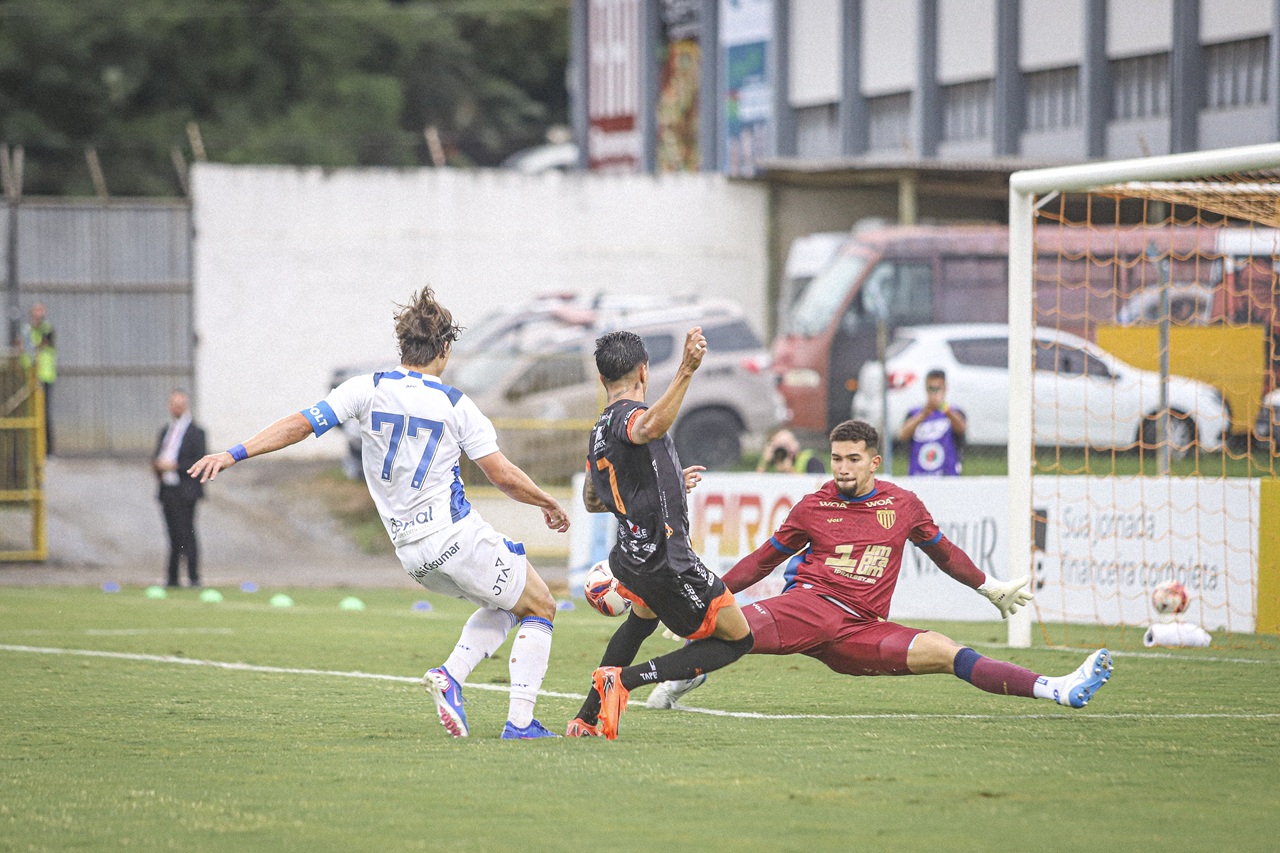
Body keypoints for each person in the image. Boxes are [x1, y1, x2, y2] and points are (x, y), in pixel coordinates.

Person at [188, 287, 571, 741]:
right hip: (454, 536)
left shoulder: (365, 389)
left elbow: (300, 424)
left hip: (411, 555)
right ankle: (520, 723)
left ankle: (451, 677)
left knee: (508, 602)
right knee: (542, 604)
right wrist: (545, 500)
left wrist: (234, 453)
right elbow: (502, 475)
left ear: (403, 346)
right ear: (445, 349)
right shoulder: (454, 404)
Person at [645, 419, 1112, 711]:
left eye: (852, 459)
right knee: (726, 631)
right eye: (836, 459)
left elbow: (943, 551)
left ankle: (1057, 688)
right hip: (809, 607)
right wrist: (708, 599)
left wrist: (989, 586)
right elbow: (763, 561)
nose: (842, 468)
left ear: (874, 462)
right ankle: (648, 682)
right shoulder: (812, 505)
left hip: (861, 630)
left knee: (948, 652)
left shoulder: (903, 504)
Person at [566, 327, 754, 740]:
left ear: (601, 379)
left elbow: (594, 501)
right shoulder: (629, 416)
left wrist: (664, 482)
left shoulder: (599, 429)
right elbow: (647, 426)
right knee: (737, 640)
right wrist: (686, 369)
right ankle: (625, 681)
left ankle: (584, 717)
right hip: (664, 560)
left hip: (629, 556)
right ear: (644, 372)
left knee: (641, 621)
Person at [153, 390, 208, 588]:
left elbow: (199, 460)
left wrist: (174, 466)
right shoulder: (166, 431)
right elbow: (158, 456)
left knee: (188, 533)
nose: (176, 407)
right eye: (173, 403)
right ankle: (172, 578)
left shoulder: (196, 433)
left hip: (186, 490)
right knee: (172, 535)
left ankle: (194, 577)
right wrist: (157, 466)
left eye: (180, 404)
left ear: (186, 406)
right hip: (167, 490)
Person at [898, 369, 965, 476]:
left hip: (947, 476)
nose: (934, 392)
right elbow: (903, 435)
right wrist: (924, 414)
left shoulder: (954, 411)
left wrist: (944, 408)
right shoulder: (915, 413)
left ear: (945, 388)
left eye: (937, 388)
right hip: (919, 475)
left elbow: (961, 429)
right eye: (931, 388)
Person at [21, 303, 57, 455]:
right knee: (28, 414)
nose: (37, 315)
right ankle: (33, 450)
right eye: (35, 312)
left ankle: (48, 451)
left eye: (40, 312)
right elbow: (22, 347)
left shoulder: (47, 329)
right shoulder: (27, 330)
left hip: (44, 377)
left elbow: (43, 344)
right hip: (29, 377)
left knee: (44, 413)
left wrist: (30, 347)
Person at [756, 427, 826, 475]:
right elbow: (756, 484)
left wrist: (790, 471)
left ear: (795, 444)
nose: (783, 450)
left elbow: (817, 485)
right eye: (779, 446)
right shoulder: (772, 463)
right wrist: (764, 463)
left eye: (786, 445)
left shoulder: (810, 460)